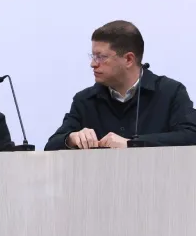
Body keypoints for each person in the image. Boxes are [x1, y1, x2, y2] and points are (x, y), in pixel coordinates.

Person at [45, 20, 196, 150]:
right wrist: (70, 138)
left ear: (129, 59)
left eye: (101, 57)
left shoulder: (170, 92)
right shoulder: (85, 100)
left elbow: (191, 136)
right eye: (93, 56)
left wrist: (132, 144)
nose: (93, 64)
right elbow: (51, 145)